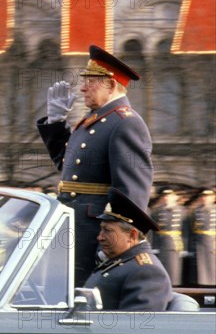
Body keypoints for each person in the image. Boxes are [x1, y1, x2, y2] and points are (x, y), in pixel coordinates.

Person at [37, 44, 153, 286]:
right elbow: (66, 165)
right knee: (59, 291)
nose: (82, 88)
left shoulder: (125, 123)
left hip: (94, 233)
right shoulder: (94, 120)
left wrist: (115, 241)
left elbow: (132, 192)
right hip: (74, 225)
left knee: (82, 299)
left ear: (110, 85)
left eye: (91, 82)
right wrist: (57, 123)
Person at [84, 188, 172, 311]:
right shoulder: (121, 262)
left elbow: (134, 326)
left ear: (132, 236)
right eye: (101, 229)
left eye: (108, 231)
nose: (100, 237)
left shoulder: (146, 271)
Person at [150, 187, 185, 285]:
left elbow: (185, 231)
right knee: (162, 269)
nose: (167, 198)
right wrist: (153, 246)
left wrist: (185, 248)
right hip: (161, 243)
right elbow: (153, 231)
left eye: (169, 196)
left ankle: (175, 286)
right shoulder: (156, 211)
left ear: (174, 197)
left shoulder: (181, 211)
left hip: (175, 243)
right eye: (165, 196)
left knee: (174, 270)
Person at [189, 189, 216, 286]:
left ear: (213, 198)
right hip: (199, 241)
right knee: (200, 267)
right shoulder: (196, 211)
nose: (205, 198)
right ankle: (201, 285)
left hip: (212, 242)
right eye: (203, 196)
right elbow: (192, 228)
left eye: (208, 196)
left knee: (212, 265)